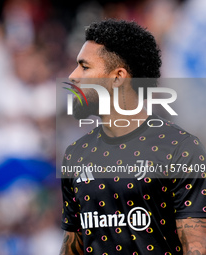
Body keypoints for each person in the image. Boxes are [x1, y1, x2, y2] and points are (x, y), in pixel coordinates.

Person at [60, 19, 206, 255]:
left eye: (84, 67)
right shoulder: (75, 154)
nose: (72, 76)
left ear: (117, 77)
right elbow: (72, 246)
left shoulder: (180, 149)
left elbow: (197, 247)